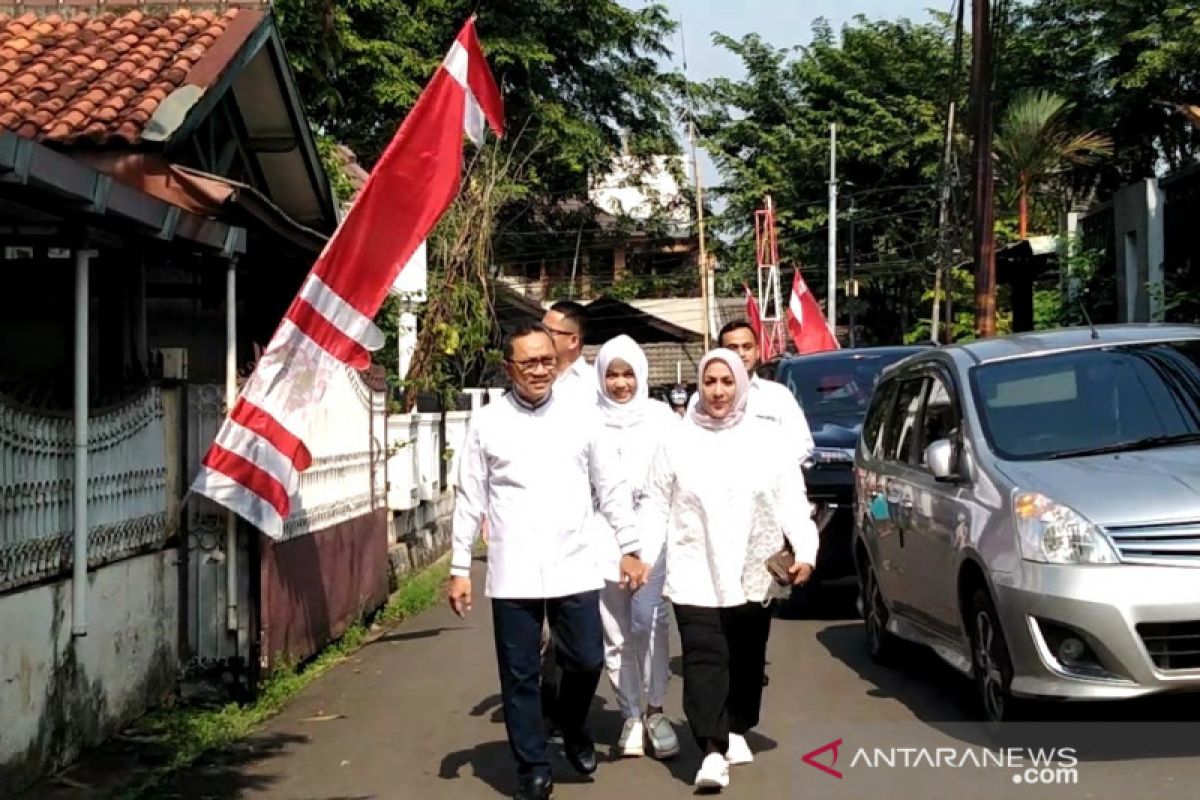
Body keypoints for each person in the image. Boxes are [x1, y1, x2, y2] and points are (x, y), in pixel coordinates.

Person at [449, 321, 649, 800]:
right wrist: (459, 568)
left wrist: (630, 545)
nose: (540, 370)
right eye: (528, 363)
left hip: (573, 562)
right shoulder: (488, 423)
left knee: (585, 659)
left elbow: (611, 486)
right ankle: (533, 765)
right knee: (519, 674)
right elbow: (469, 496)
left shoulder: (583, 417)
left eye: (547, 361)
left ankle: (574, 725)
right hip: (513, 570)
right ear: (509, 368)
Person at [643, 349, 819, 791]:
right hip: (693, 569)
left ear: (740, 383)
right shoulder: (676, 440)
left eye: (726, 381)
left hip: (752, 570)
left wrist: (806, 549)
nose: (718, 391)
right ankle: (711, 750)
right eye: (710, 382)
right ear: (699, 386)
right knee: (705, 657)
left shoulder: (768, 439)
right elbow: (655, 504)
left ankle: (737, 723)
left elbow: (792, 502)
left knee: (744, 658)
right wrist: (639, 554)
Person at [590, 335, 681, 760]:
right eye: (612, 374)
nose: (621, 384)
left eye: (628, 374)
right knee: (615, 628)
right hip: (599, 531)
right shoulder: (586, 417)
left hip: (653, 530)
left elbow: (679, 478)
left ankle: (656, 709)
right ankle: (629, 713)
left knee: (649, 620)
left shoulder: (663, 418)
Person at [691, 321, 816, 463]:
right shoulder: (701, 399)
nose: (741, 353)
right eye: (733, 348)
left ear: (757, 351)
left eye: (746, 347)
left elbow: (802, 445)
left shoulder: (778, 396)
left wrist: (767, 470)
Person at [542, 300, 596, 405]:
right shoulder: (533, 376)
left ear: (573, 341)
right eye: (540, 328)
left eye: (549, 331)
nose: (541, 335)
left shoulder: (592, 383)